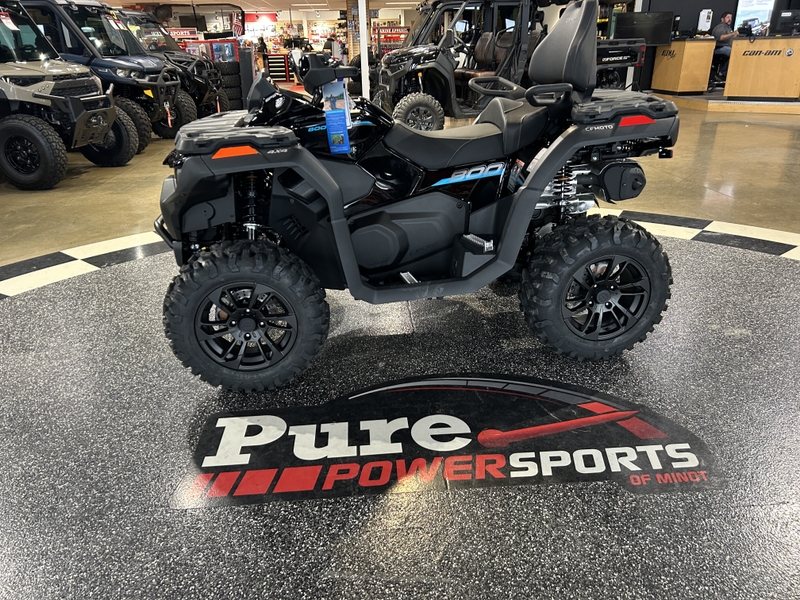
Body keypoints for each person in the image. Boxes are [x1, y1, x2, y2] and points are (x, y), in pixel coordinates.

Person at [712, 12, 738, 78]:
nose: (730, 19)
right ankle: (722, 73)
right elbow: (720, 37)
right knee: (734, 53)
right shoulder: (720, 27)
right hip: (719, 48)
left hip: (727, 47)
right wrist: (732, 34)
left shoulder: (728, 28)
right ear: (722, 19)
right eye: (728, 17)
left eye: (731, 18)